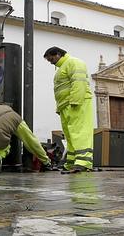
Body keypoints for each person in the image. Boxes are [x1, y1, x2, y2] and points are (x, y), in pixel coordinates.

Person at [44, 46, 94, 174]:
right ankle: (71, 162)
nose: (51, 62)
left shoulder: (73, 62)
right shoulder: (63, 67)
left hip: (76, 103)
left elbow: (79, 82)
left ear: (58, 54)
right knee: (70, 135)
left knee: (79, 131)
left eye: (51, 59)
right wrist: (60, 107)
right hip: (67, 106)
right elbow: (62, 90)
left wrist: (75, 101)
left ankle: (83, 162)